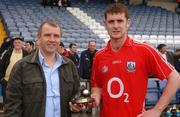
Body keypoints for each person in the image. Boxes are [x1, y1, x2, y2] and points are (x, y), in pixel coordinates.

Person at [90, 3, 180, 117]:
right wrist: (95, 97)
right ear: (105, 24)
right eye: (111, 21)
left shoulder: (144, 50)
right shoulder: (99, 56)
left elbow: (175, 78)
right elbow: (97, 86)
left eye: (120, 21)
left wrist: (157, 110)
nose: (116, 25)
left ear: (128, 23)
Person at [5, 20, 82, 117]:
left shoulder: (69, 65)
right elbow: (12, 105)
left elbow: (76, 93)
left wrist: (75, 104)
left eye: (56, 36)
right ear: (39, 38)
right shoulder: (21, 66)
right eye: (47, 35)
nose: (52, 39)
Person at [0, 36, 29, 105]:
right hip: (7, 80)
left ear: (22, 44)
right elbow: (1, 66)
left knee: (19, 100)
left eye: (19, 42)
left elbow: (28, 68)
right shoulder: (7, 53)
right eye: (15, 42)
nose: (17, 44)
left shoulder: (26, 54)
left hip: (20, 81)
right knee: (6, 99)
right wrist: (1, 78)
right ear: (13, 44)